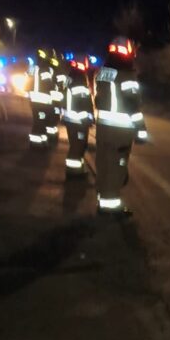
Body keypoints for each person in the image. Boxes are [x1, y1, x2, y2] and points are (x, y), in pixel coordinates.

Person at [93, 37, 148, 215]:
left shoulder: (103, 73)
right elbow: (133, 106)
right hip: (120, 133)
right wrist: (141, 131)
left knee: (104, 165)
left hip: (103, 130)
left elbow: (98, 99)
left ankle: (102, 200)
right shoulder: (127, 76)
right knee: (116, 169)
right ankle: (110, 208)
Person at [62, 57, 95, 176]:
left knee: (76, 145)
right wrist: (89, 118)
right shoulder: (79, 79)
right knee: (78, 146)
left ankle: (78, 169)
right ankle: (74, 172)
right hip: (78, 120)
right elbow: (84, 103)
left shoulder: (70, 77)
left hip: (70, 119)